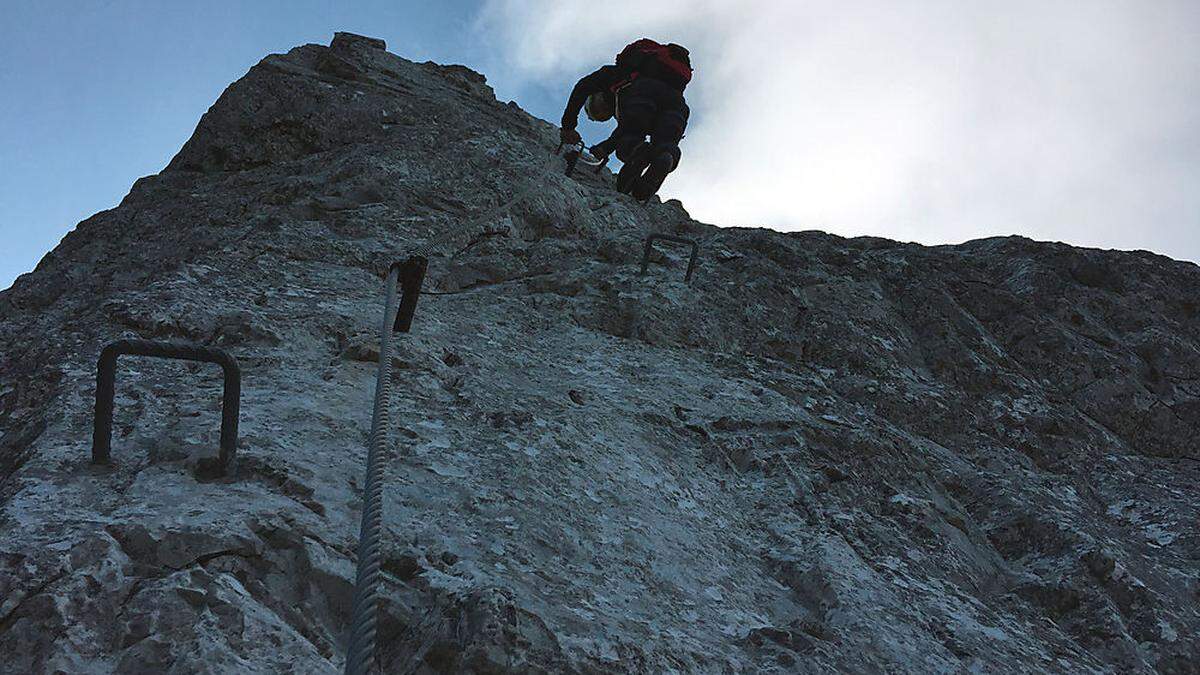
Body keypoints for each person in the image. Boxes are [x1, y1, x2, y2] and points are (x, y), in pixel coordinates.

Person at [560, 39, 693, 201]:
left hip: (645, 93)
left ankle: (638, 153)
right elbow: (627, 125)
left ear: (598, 97)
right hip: (678, 105)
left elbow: (582, 87)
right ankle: (665, 158)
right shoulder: (654, 75)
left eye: (599, 111)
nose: (605, 113)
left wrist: (568, 126)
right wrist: (607, 146)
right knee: (665, 144)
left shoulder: (617, 76)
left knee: (630, 141)